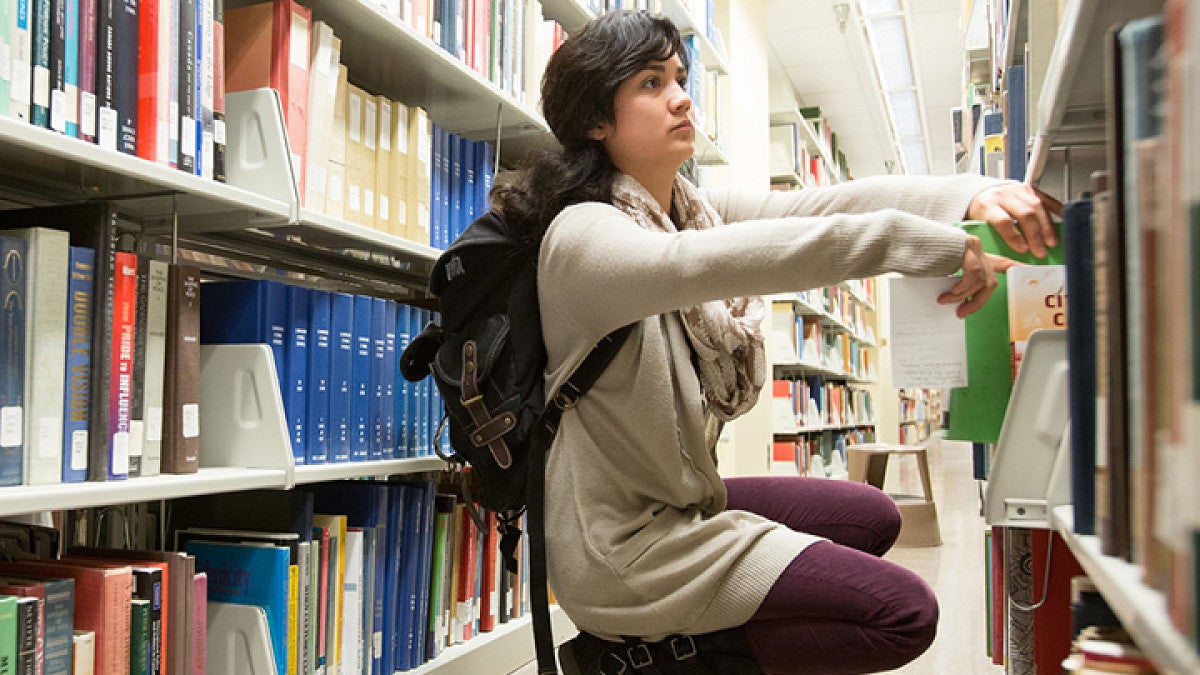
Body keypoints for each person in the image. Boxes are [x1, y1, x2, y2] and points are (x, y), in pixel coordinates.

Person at [492, 10, 1061, 675]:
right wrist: (925, 248)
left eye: (680, 76)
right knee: (903, 612)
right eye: (651, 83)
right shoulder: (584, 237)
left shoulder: (683, 208)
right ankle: (645, 662)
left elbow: (825, 207)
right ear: (594, 118)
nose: (682, 96)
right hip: (620, 546)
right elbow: (703, 265)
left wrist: (973, 191)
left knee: (872, 516)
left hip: (679, 501)